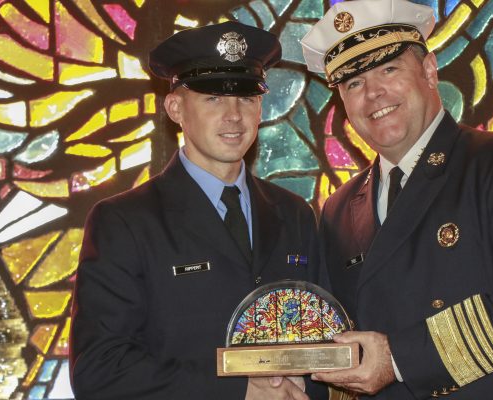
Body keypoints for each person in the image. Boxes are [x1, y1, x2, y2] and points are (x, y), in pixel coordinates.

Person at [300, 0, 493, 398]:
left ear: (428, 70)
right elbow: (338, 336)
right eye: (353, 83)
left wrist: (399, 358)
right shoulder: (339, 208)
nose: (373, 93)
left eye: (389, 69)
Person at [70, 21, 327, 400]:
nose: (234, 115)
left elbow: (323, 336)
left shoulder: (295, 214)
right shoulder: (125, 222)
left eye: (246, 98)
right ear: (175, 107)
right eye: (213, 98)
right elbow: (99, 369)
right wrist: (239, 392)